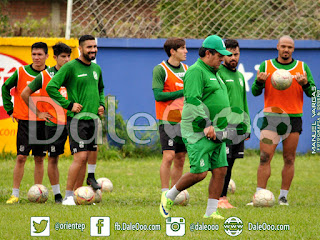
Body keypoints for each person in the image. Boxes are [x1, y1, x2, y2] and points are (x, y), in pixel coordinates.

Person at [160, 35, 232, 219]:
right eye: (219, 55)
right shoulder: (196, 71)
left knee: (220, 170)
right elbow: (192, 101)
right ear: (208, 53)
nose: (222, 58)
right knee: (199, 173)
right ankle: (169, 196)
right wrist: (206, 124)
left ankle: (211, 212)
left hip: (217, 131)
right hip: (198, 130)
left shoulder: (215, 71)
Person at [250, 35, 316, 205]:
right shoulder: (266, 65)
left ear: (293, 49)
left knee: (289, 158)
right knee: (265, 157)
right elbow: (255, 92)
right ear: (277, 47)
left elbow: (313, 93)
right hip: (271, 117)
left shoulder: (302, 67)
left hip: (293, 118)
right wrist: (258, 82)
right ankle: (259, 195)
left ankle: (283, 197)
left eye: (290, 47)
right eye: (283, 46)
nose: (286, 50)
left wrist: (306, 84)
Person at [46, 35, 105, 205]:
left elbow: (100, 88)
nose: (93, 50)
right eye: (89, 47)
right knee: (80, 157)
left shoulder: (96, 69)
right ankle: (68, 196)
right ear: (80, 48)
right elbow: (52, 87)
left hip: (93, 119)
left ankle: (81, 194)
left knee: (86, 157)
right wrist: (68, 104)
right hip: (77, 120)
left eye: (95, 46)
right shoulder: (70, 67)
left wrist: (101, 104)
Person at [21, 42, 72, 203]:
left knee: (80, 157)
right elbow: (25, 93)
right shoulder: (44, 76)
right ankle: (57, 195)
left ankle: (75, 193)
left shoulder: (74, 74)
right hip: (53, 123)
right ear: (55, 58)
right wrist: (38, 113)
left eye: (69, 56)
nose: (67, 60)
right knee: (53, 158)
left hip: (74, 121)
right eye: (63, 57)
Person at [2, 42, 49, 204]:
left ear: (46, 56)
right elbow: (5, 88)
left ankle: (38, 192)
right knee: (21, 157)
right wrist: (10, 110)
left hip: (43, 122)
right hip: (25, 121)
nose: (36, 58)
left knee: (39, 158)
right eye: (34, 54)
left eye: (40, 54)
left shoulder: (51, 74)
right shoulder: (21, 72)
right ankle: (15, 194)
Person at [217, 39, 250, 209]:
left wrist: (247, 125)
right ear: (223, 55)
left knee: (230, 163)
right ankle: (220, 198)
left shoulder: (240, 76)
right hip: (224, 125)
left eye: (236, 54)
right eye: (229, 54)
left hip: (238, 127)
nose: (233, 57)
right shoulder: (219, 74)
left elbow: (243, 102)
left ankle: (222, 197)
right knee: (223, 162)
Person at [152, 38, 188, 193]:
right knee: (168, 157)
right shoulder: (160, 70)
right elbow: (158, 95)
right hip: (167, 121)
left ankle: (175, 193)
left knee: (180, 158)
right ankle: (164, 192)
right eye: (183, 48)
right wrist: (183, 92)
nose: (186, 51)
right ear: (173, 51)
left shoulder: (187, 69)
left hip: (185, 121)